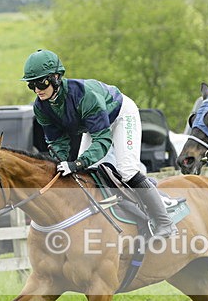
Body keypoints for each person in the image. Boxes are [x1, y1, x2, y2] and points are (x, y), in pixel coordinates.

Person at [21, 49, 177, 238]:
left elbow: (102, 140)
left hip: (120, 115)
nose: (37, 89)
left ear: (56, 77)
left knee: (127, 169)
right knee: (86, 173)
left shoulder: (84, 95)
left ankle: (165, 222)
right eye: (32, 85)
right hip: (92, 125)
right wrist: (62, 164)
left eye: (41, 82)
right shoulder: (41, 107)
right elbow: (57, 142)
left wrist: (76, 163)